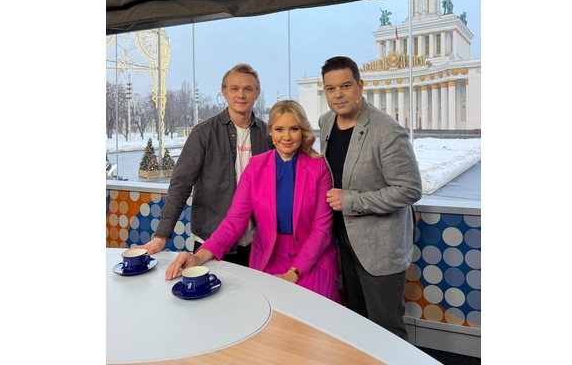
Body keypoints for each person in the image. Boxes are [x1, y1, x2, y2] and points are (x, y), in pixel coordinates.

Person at [165, 100, 340, 303]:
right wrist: (198, 257)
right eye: (279, 129)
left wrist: (294, 273)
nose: (287, 136)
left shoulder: (318, 167)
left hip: (312, 259)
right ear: (270, 132)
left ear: (302, 131)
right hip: (268, 256)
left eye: (294, 129)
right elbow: (234, 220)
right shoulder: (255, 166)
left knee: (313, 309)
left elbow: (321, 230)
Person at [318, 56, 422, 340]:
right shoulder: (326, 122)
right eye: (330, 88)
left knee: (386, 328)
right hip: (345, 240)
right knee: (357, 320)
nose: (338, 94)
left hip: (380, 247)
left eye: (345, 86)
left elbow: (410, 189)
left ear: (360, 86)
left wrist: (352, 201)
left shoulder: (386, 129)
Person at [134, 63, 272, 267]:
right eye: (234, 88)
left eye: (248, 89)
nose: (241, 95)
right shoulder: (203, 134)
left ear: (257, 93)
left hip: (256, 243)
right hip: (211, 241)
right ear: (224, 92)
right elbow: (180, 184)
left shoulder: (268, 135)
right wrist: (162, 235)